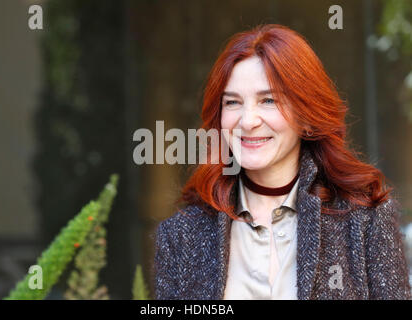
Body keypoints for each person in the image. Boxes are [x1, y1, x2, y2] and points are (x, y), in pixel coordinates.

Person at [152, 24, 411, 300]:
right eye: (232, 103)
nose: (248, 121)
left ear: (307, 114)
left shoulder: (365, 221)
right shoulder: (180, 236)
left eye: (268, 100)